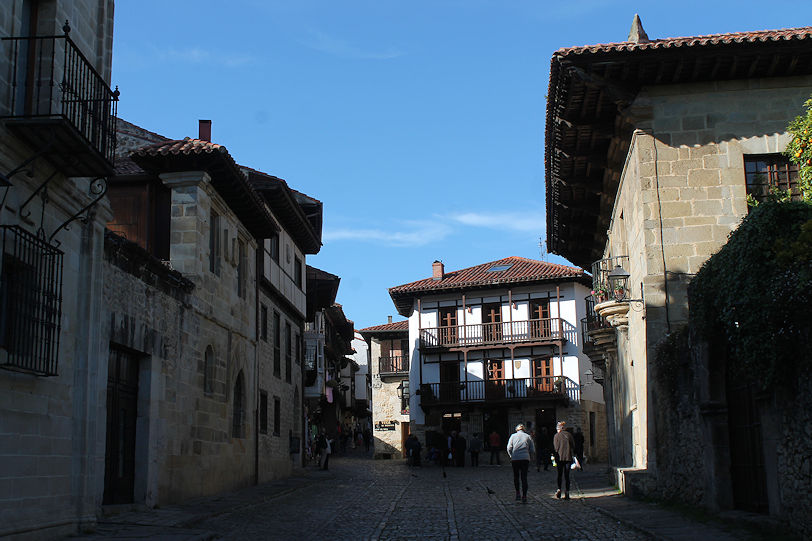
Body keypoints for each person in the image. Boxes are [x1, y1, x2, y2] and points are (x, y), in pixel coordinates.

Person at [506, 424, 535, 503]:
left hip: (515, 458)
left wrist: (511, 455)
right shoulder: (528, 436)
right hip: (525, 458)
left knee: (516, 476)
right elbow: (532, 449)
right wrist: (529, 456)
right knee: (524, 477)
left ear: (516, 430)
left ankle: (518, 493)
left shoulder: (513, 436)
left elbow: (509, 448)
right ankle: (524, 496)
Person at [553, 421, 575, 499]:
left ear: (558, 429)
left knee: (559, 474)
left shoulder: (556, 436)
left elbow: (555, 448)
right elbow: (573, 445)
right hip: (568, 457)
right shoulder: (569, 435)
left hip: (560, 458)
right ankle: (567, 491)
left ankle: (559, 489)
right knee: (567, 475)